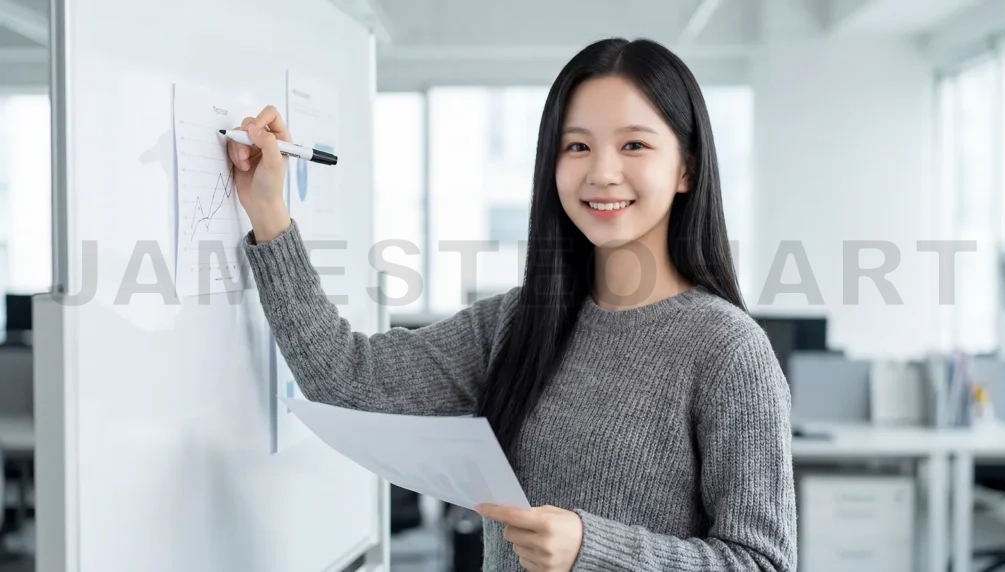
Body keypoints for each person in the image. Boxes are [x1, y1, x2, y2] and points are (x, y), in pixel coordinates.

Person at [230, 37, 797, 572]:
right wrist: (269, 214)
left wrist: (590, 548)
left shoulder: (728, 350)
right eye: (577, 146)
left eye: (634, 145)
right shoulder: (517, 324)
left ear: (686, 169)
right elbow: (345, 380)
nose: (601, 172)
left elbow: (762, 561)